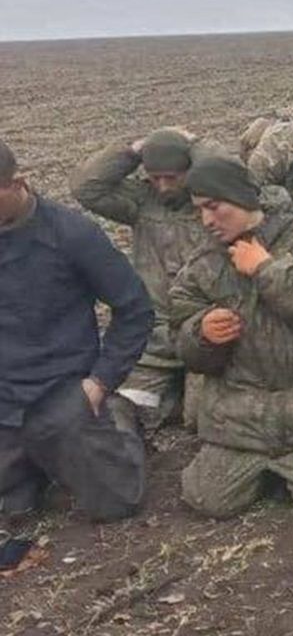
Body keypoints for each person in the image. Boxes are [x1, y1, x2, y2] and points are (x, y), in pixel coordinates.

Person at [168, 154, 293, 518]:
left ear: (242, 198)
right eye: (199, 211)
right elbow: (183, 344)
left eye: (214, 206)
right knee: (206, 499)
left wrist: (265, 270)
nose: (207, 220)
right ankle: (265, 469)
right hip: (240, 425)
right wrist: (202, 334)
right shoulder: (202, 266)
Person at [0, 139, 153, 522]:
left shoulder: (69, 234)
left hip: (60, 389)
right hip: (4, 394)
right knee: (15, 509)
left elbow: (134, 307)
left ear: (18, 183)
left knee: (117, 502)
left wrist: (100, 381)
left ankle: (118, 416)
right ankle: (28, 471)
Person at [73, 127, 209, 430]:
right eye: (154, 177)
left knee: (203, 419)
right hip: (156, 334)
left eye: (171, 177)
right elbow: (86, 188)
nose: (162, 186)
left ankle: (183, 398)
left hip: (206, 334)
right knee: (120, 407)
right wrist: (134, 150)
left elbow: (246, 184)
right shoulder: (141, 202)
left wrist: (196, 144)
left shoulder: (214, 202)